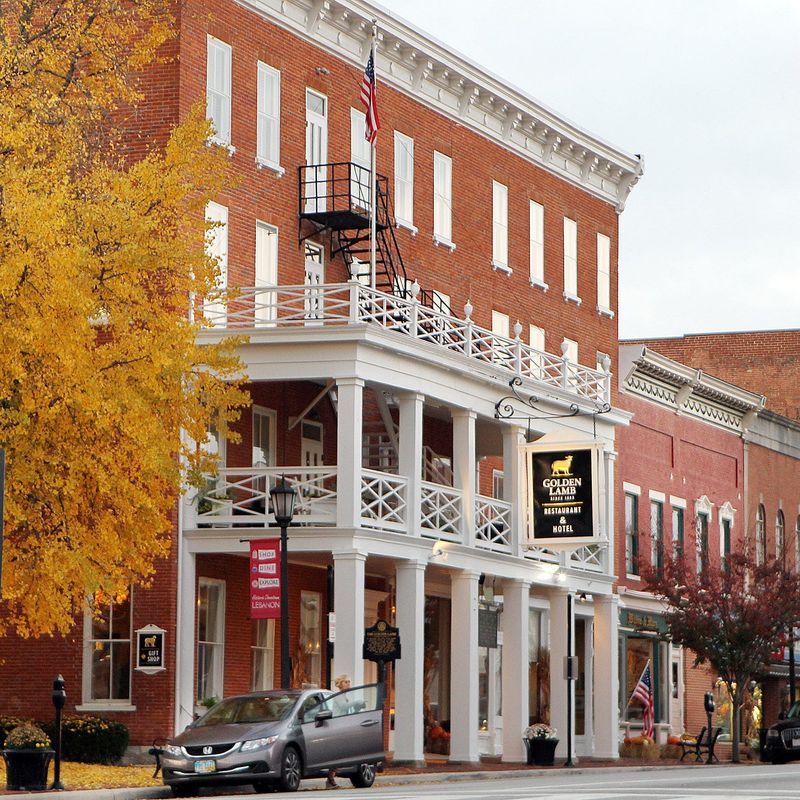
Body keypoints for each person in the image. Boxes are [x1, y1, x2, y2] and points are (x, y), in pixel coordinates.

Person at [325, 674, 351, 789]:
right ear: (340, 684)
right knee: (337, 754)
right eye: (346, 682)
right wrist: (357, 702)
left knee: (340, 754)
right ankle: (330, 779)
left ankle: (331, 778)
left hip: (343, 726)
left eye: (349, 682)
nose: (348, 684)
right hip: (337, 727)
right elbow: (344, 707)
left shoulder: (345, 696)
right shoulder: (339, 696)